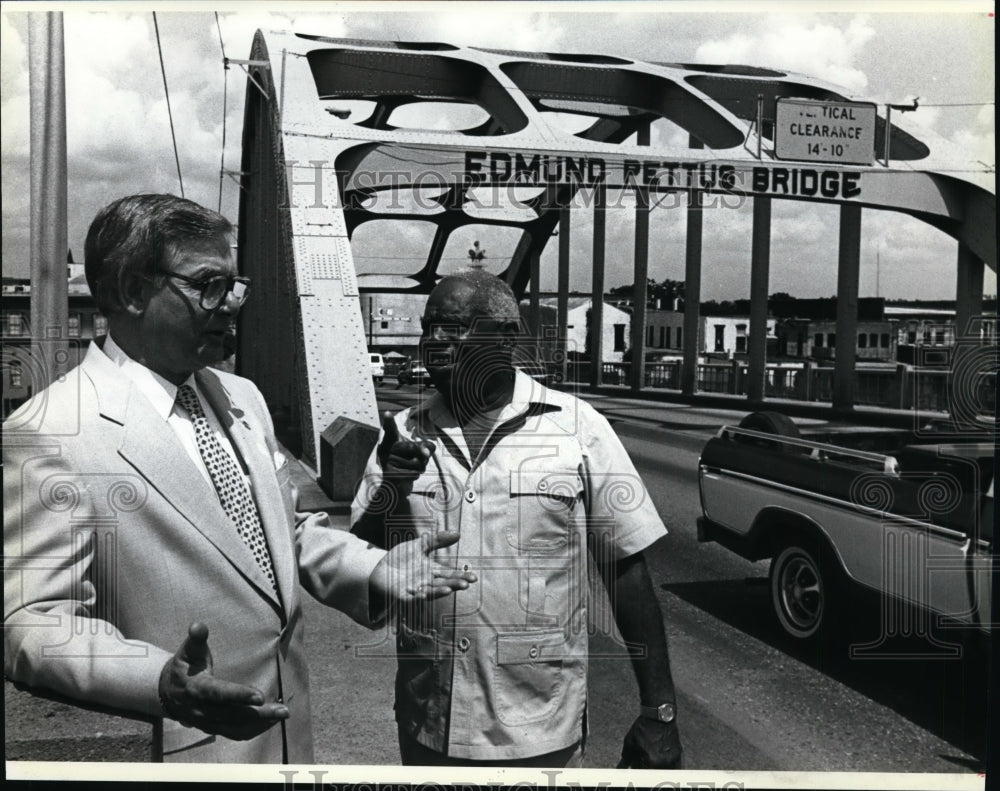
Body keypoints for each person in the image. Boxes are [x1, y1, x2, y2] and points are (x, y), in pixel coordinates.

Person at [2, 194, 475, 763]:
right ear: (131, 292)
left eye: (235, 285)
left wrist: (373, 567)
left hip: (287, 735)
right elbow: (32, 622)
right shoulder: (52, 433)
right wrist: (160, 681)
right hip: (184, 748)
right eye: (208, 285)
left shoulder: (240, 396)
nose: (230, 306)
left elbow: (284, 530)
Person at [350, 269, 683, 768]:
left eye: (455, 327)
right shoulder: (402, 432)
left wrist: (659, 712)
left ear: (506, 337)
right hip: (429, 721)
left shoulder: (577, 429)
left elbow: (626, 572)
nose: (434, 341)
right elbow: (363, 565)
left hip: (541, 729)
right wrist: (392, 489)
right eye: (428, 327)